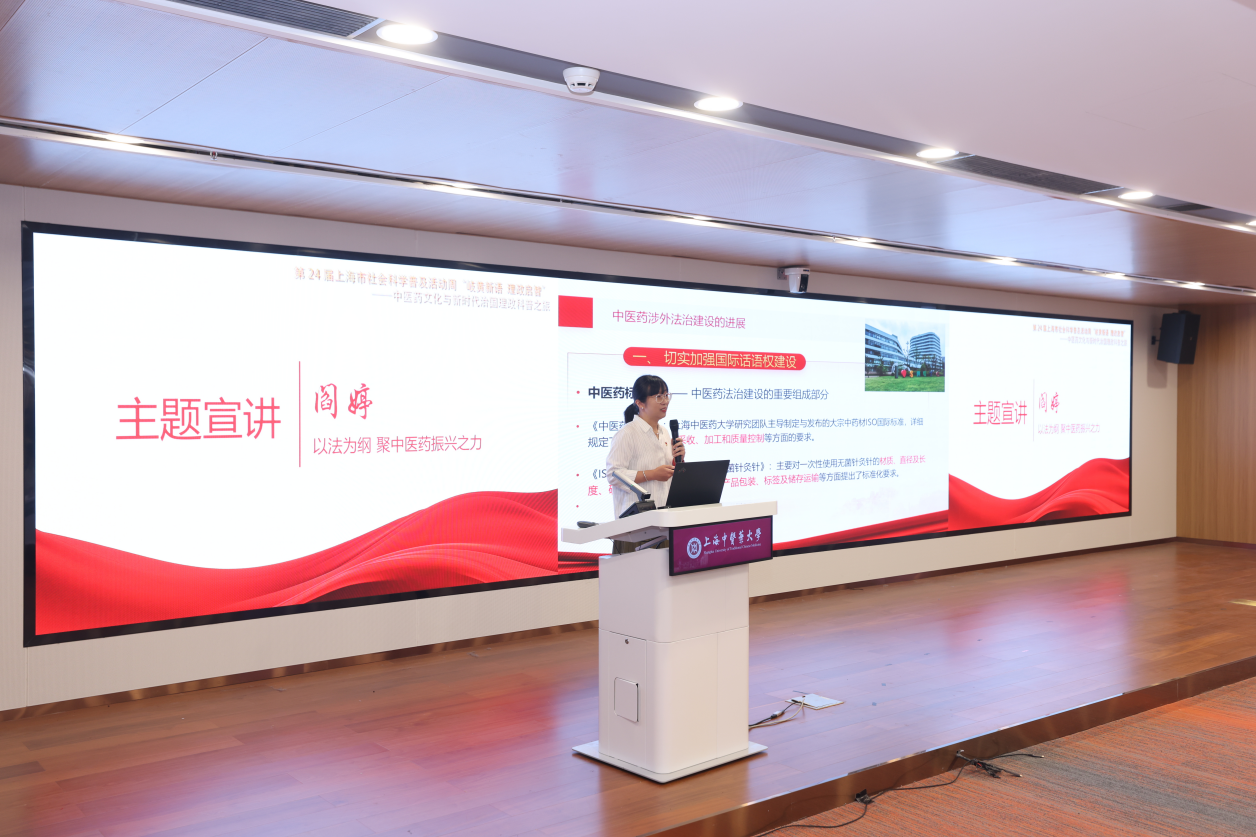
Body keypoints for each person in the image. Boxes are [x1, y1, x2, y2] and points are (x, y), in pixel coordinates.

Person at [605, 374, 687, 553]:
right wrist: (652, 474)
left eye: (666, 395)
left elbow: (667, 475)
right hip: (634, 528)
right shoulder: (627, 434)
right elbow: (613, 474)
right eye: (658, 397)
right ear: (640, 403)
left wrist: (678, 462)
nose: (665, 401)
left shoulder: (665, 432)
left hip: (664, 523)